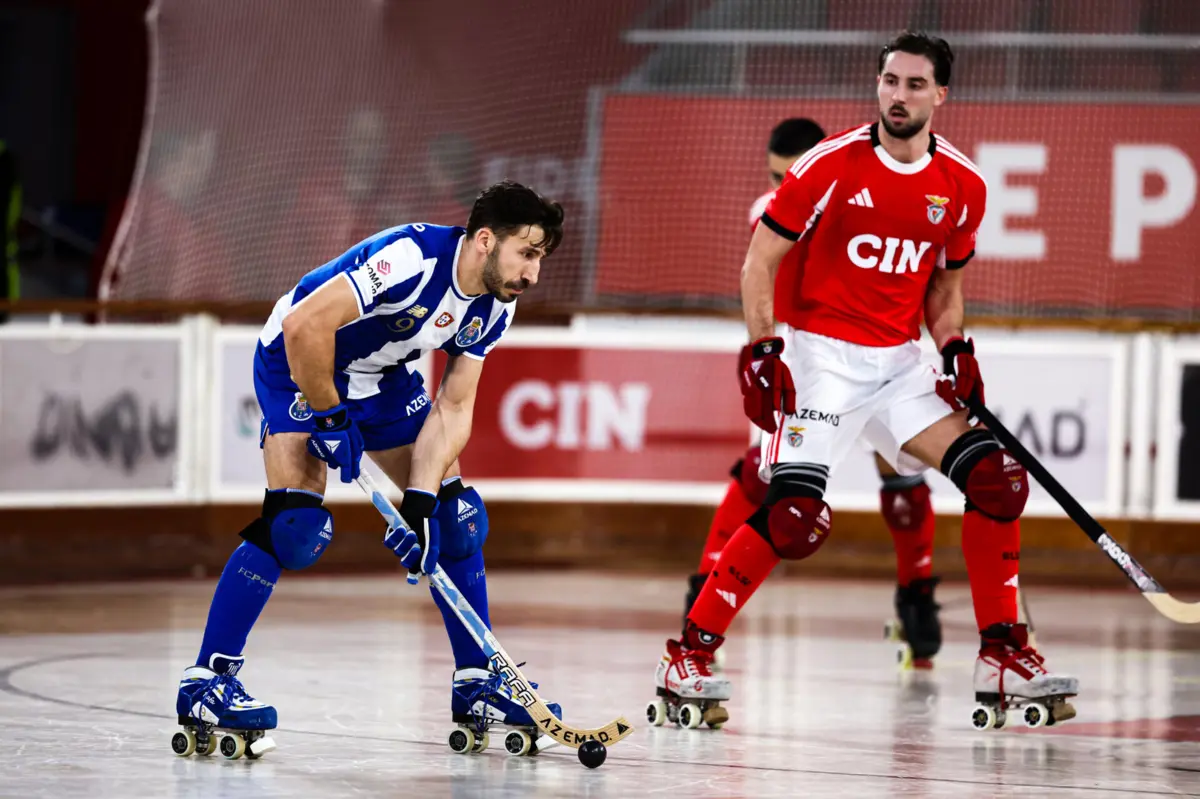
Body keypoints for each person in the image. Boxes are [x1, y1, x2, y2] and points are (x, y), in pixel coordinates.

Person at [653, 32, 1077, 732]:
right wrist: (763, 350)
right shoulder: (828, 164)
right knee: (793, 517)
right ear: (877, 85)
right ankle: (689, 657)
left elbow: (945, 287)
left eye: (915, 84)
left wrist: (957, 346)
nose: (898, 96)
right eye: (889, 81)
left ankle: (1003, 655)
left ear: (941, 94)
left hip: (900, 364)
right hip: (821, 359)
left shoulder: (964, 185)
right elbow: (759, 262)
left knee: (997, 481)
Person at [172, 181, 566, 759]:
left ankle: (478, 682)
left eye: (540, 259)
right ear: (486, 240)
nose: (533, 274)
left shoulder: (495, 306)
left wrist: (422, 503)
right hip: (298, 361)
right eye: (527, 254)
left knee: (456, 520)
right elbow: (305, 326)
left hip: (380, 379)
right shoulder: (409, 258)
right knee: (295, 527)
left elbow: (454, 408)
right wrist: (329, 418)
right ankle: (206, 682)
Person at [686, 117, 943, 670]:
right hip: (797, 357)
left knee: (902, 477)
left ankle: (918, 601)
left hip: (876, 355)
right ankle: (704, 593)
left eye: (791, 173)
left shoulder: (857, 198)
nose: (784, 184)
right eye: (775, 175)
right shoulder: (773, 210)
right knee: (770, 480)